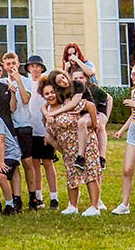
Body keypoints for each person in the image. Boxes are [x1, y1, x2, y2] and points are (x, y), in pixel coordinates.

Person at [40, 75, 102, 216]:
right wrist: (59, 147)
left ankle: (94, 207)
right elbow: (50, 134)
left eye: (52, 92)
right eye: (46, 94)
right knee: (72, 176)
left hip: (84, 143)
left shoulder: (68, 103)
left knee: (90, 173)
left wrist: (95, 125)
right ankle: (73, 206)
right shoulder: (47, 112)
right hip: (66, 147)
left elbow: (90, 105)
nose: (50, 96)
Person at [46, 69, 100, 175]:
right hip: (77, 116)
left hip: (88, 113)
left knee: (82, 123)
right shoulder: (61, 93)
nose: (64, 81)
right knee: (48, 134)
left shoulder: (77, 84)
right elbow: (46, 106)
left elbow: (74, 104)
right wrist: (47, 114)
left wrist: (95, 124)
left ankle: (80, 157)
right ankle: (63, 153)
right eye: (59, 82)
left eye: (63, 77)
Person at [25, 55, 59, 210]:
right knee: (34, 164)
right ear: (28, 68)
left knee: (47, 162)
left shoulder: (46, 85)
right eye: (32, 66)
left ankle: (54, 197)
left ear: (42, 68)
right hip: (29, 128)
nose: (35, 69)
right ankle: (38, 196)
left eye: (38, 66)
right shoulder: (25, 83)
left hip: (44, 128)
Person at [2, 52, 34, 211]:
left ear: (18, 63)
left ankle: (33, 197)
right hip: (10, 127)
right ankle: (16, 198)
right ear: (4, 66)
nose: (11, 66)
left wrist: (19, 81)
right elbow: (10, 107)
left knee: (28, 162)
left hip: (25, 124)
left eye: (13, 63)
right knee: (14, 164)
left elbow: (26, 99)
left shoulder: (26, 81)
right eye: (8, 64)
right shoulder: (2, 82)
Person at [112, 63, 135, 214]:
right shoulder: (134, 92)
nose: (132, 77)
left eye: (134, 74)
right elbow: (133, 116)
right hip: (134, 131)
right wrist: (121, 130)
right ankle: (125, 204)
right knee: (127, 169)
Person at [70, 68, 111, 170]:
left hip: (95, 112)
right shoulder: (72, 90)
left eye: (81, 77)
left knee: (100, 127)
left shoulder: (93, 88)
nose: (78, 80)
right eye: (75, 78)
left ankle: (102, 157)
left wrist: (106, 116)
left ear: (86, 79)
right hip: (84, 114)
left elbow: (109, 98)